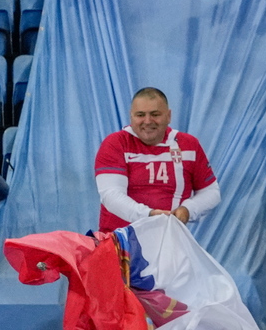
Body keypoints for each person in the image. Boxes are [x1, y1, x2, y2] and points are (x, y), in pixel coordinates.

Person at [93, 88, 220, 233]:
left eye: (155, 114)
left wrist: (188, 210)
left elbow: (211, 192)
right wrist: (149, 215)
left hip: (170, 240)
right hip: (120, 243)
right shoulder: (115, 143)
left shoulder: (189, 145)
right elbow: (111, 195)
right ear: (131, 116)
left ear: (168, 116)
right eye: (140, 115)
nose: (147, 121)